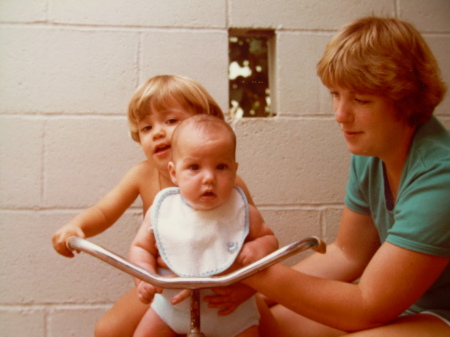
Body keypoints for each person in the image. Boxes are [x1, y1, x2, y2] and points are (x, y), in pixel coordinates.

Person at [243, 16, 450, 336]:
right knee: (260, 326)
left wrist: (249, 274)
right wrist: (248, 294)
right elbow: (347, 253)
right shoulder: (372, 151)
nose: (340, 114)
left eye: (360, 99)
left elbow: (367, 306)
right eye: (335, 94)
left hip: (440, 312)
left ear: (406, 101)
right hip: (401, 306)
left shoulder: (441, 174)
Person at [51, 75, 263, 337]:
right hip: (164, 282)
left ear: (205, 123)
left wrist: (246, 288)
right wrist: (76, 226)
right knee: (107, 330)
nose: (158, 132)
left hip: (222, 279)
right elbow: (104, 211)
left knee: (274, 328)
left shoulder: (228, 182)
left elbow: (256, 238)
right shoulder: (142, 175)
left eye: (170, 120)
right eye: (146, 128)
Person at [129, 114, 278, 337]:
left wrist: (258, 248)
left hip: (234, 314)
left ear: (234, 170)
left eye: (221, 167)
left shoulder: (242, 210)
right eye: (194, 167)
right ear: (174, 172)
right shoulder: (162, 211)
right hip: (170, 310)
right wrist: (144, 277)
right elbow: (140, 248)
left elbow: (270, 240)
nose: (209, 177)